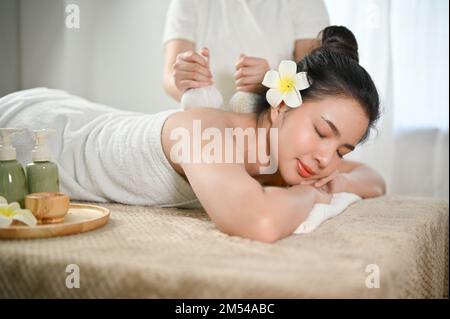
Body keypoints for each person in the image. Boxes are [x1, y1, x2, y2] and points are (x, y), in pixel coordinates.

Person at [0, 26, 385, 243]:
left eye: (342, 149)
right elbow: (259, 221)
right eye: (322, 132)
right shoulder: (204, 133)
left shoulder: (288, 155)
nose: (326, 159)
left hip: (95, 116)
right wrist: (311, 193)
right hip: (37, 133)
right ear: (282, 105)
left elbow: (374, 179)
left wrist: (340, 178)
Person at [162, 0, 330, 110]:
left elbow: (312, 81)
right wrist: (186, 79)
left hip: (271, 130)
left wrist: (269, 84)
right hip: (204, 127)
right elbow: (169, 76)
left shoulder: (306, 4)